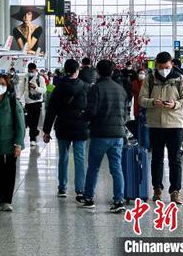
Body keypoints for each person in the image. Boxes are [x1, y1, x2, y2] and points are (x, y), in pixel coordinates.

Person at [139, 52, 183, 205]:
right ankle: (157, 189)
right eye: (161, 67)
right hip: (155, 124)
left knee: (175, 159)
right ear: (156, 66)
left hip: (174, 124)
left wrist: (175, 104)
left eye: (167, 67)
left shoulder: (179, 78)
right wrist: (153, 102)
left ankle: (175, 191)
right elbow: (141, 99)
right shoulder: (149, 79)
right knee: (156, 159)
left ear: (171, 64)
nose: (164, 70)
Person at [81, 60, 128, 213]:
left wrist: (84, 116)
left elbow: (91, 111)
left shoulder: (96, 89)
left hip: (100, 134)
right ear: (113, 71)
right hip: (118, 135)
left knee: (93, 167)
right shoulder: (120, 89)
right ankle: (119, 200)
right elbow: (124, 113)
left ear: (98, 72)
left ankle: (88, 198)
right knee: (117, 168)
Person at [43, 59, 89, 203]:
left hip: (62, 126)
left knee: (63, 157)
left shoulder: (59, 87)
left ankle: (62, 188)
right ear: (77, 71)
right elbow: (89, 108)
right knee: (80, 158)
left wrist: (46, 130)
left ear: (65, 70)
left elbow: (51, 110)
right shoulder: (85, 87)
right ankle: (80, 189)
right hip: (80, 127)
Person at [0, 74, 25, 212]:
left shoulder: (13, 102)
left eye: (3, 84)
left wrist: (18, 144)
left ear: (8, 87)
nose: (0, 87)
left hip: (11, 142)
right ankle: (0, 197)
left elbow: (20, 124)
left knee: (10, 171)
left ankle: (7, 200)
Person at [22, 62, 46, 147]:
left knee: (34, 121)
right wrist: (19, 98)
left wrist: (36, 88)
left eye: (32, 71)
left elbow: (44, 90)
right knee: (28, 121)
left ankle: (32, 139)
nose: (30, 72)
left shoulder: (41, 78)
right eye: (29, 70)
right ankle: (35, 132)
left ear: (35, 70)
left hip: (37, 102)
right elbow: (22, 89)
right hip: (28, 103)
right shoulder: (25, 77)